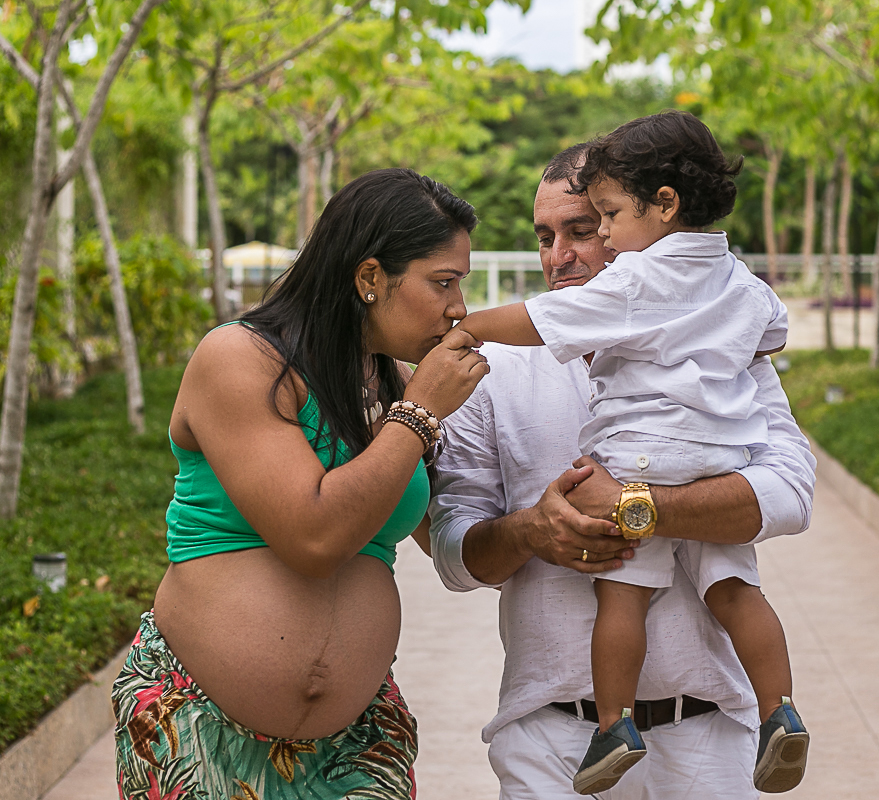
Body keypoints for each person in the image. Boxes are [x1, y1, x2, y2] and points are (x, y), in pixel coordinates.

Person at [429, 143, 817, 799]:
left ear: (648, 229)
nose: (560, 254)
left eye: (585, 228)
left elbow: (790, 494)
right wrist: (530, 531)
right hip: (548, 744)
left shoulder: (723, 352)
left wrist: (637, 505)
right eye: (545, 237)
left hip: (710, 743)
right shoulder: (495, 371)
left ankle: (778, 713)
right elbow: (452, 554)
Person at [112, 169, 489, 800]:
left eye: (462, 284)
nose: (459, 307)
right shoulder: (241, 360)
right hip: (201, 730)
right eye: (443, 281)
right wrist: (417, 416)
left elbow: (455, 542)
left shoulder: (395, 387)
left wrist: (544, 523)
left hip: (359, 742)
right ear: (370, 278)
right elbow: (313, 540)